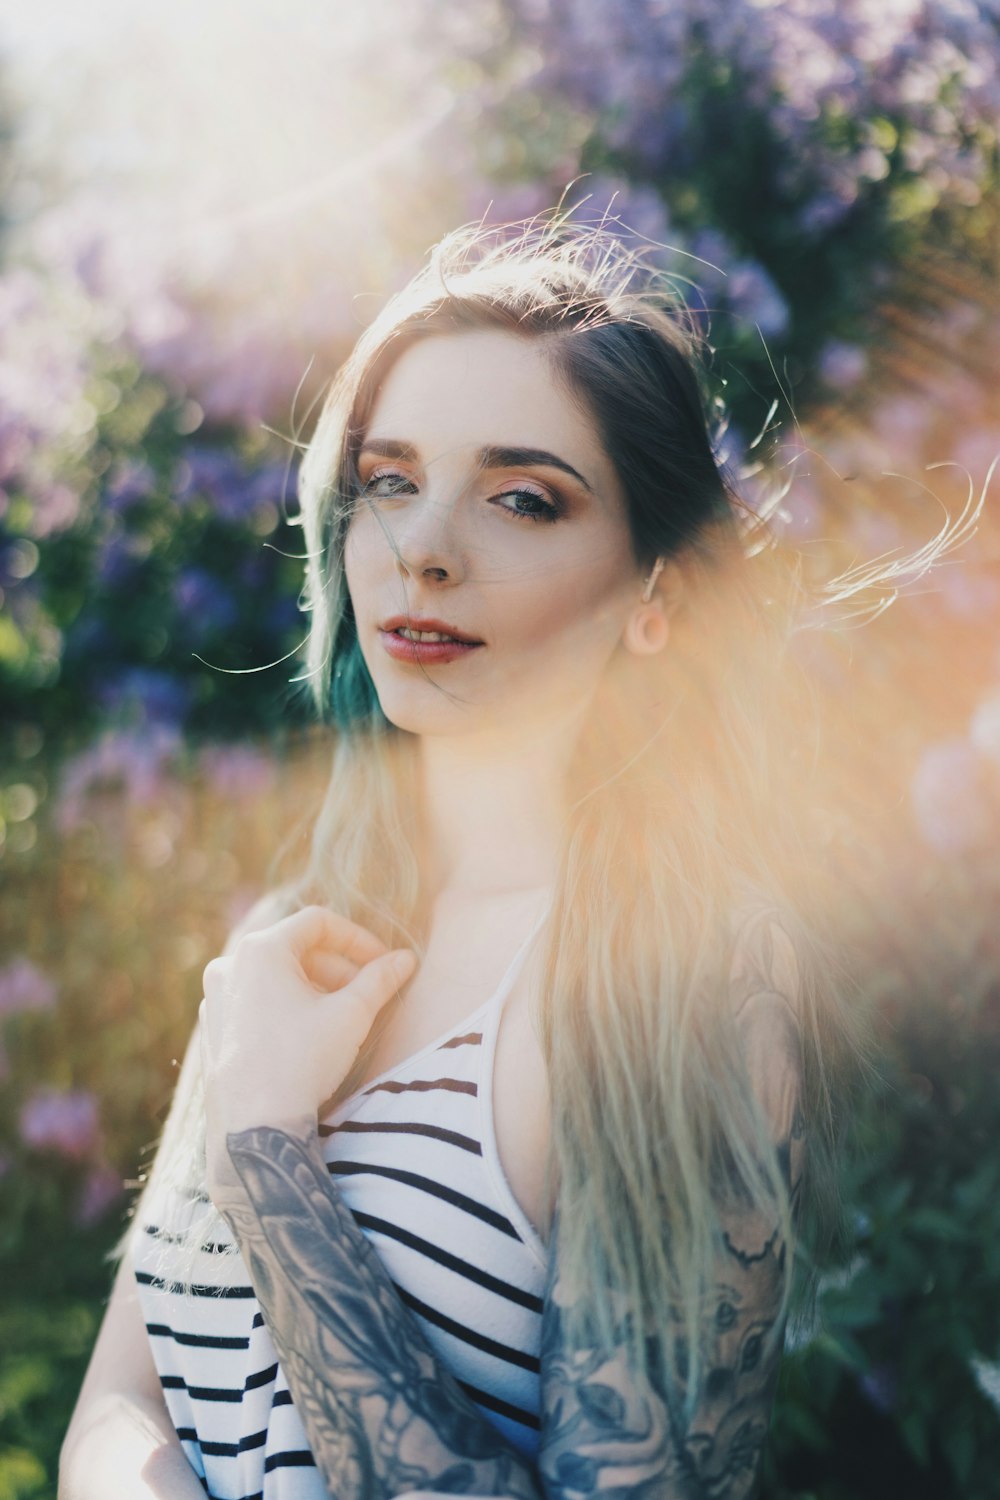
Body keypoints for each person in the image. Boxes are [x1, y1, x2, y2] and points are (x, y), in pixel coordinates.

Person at [60, 210, 872, 1500]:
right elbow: (125, 1396)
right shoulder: (294, 929)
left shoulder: (690, 973)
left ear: (656, 599)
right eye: (389, 480)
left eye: (522, 499)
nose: (424, 548)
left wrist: (270, 1148)